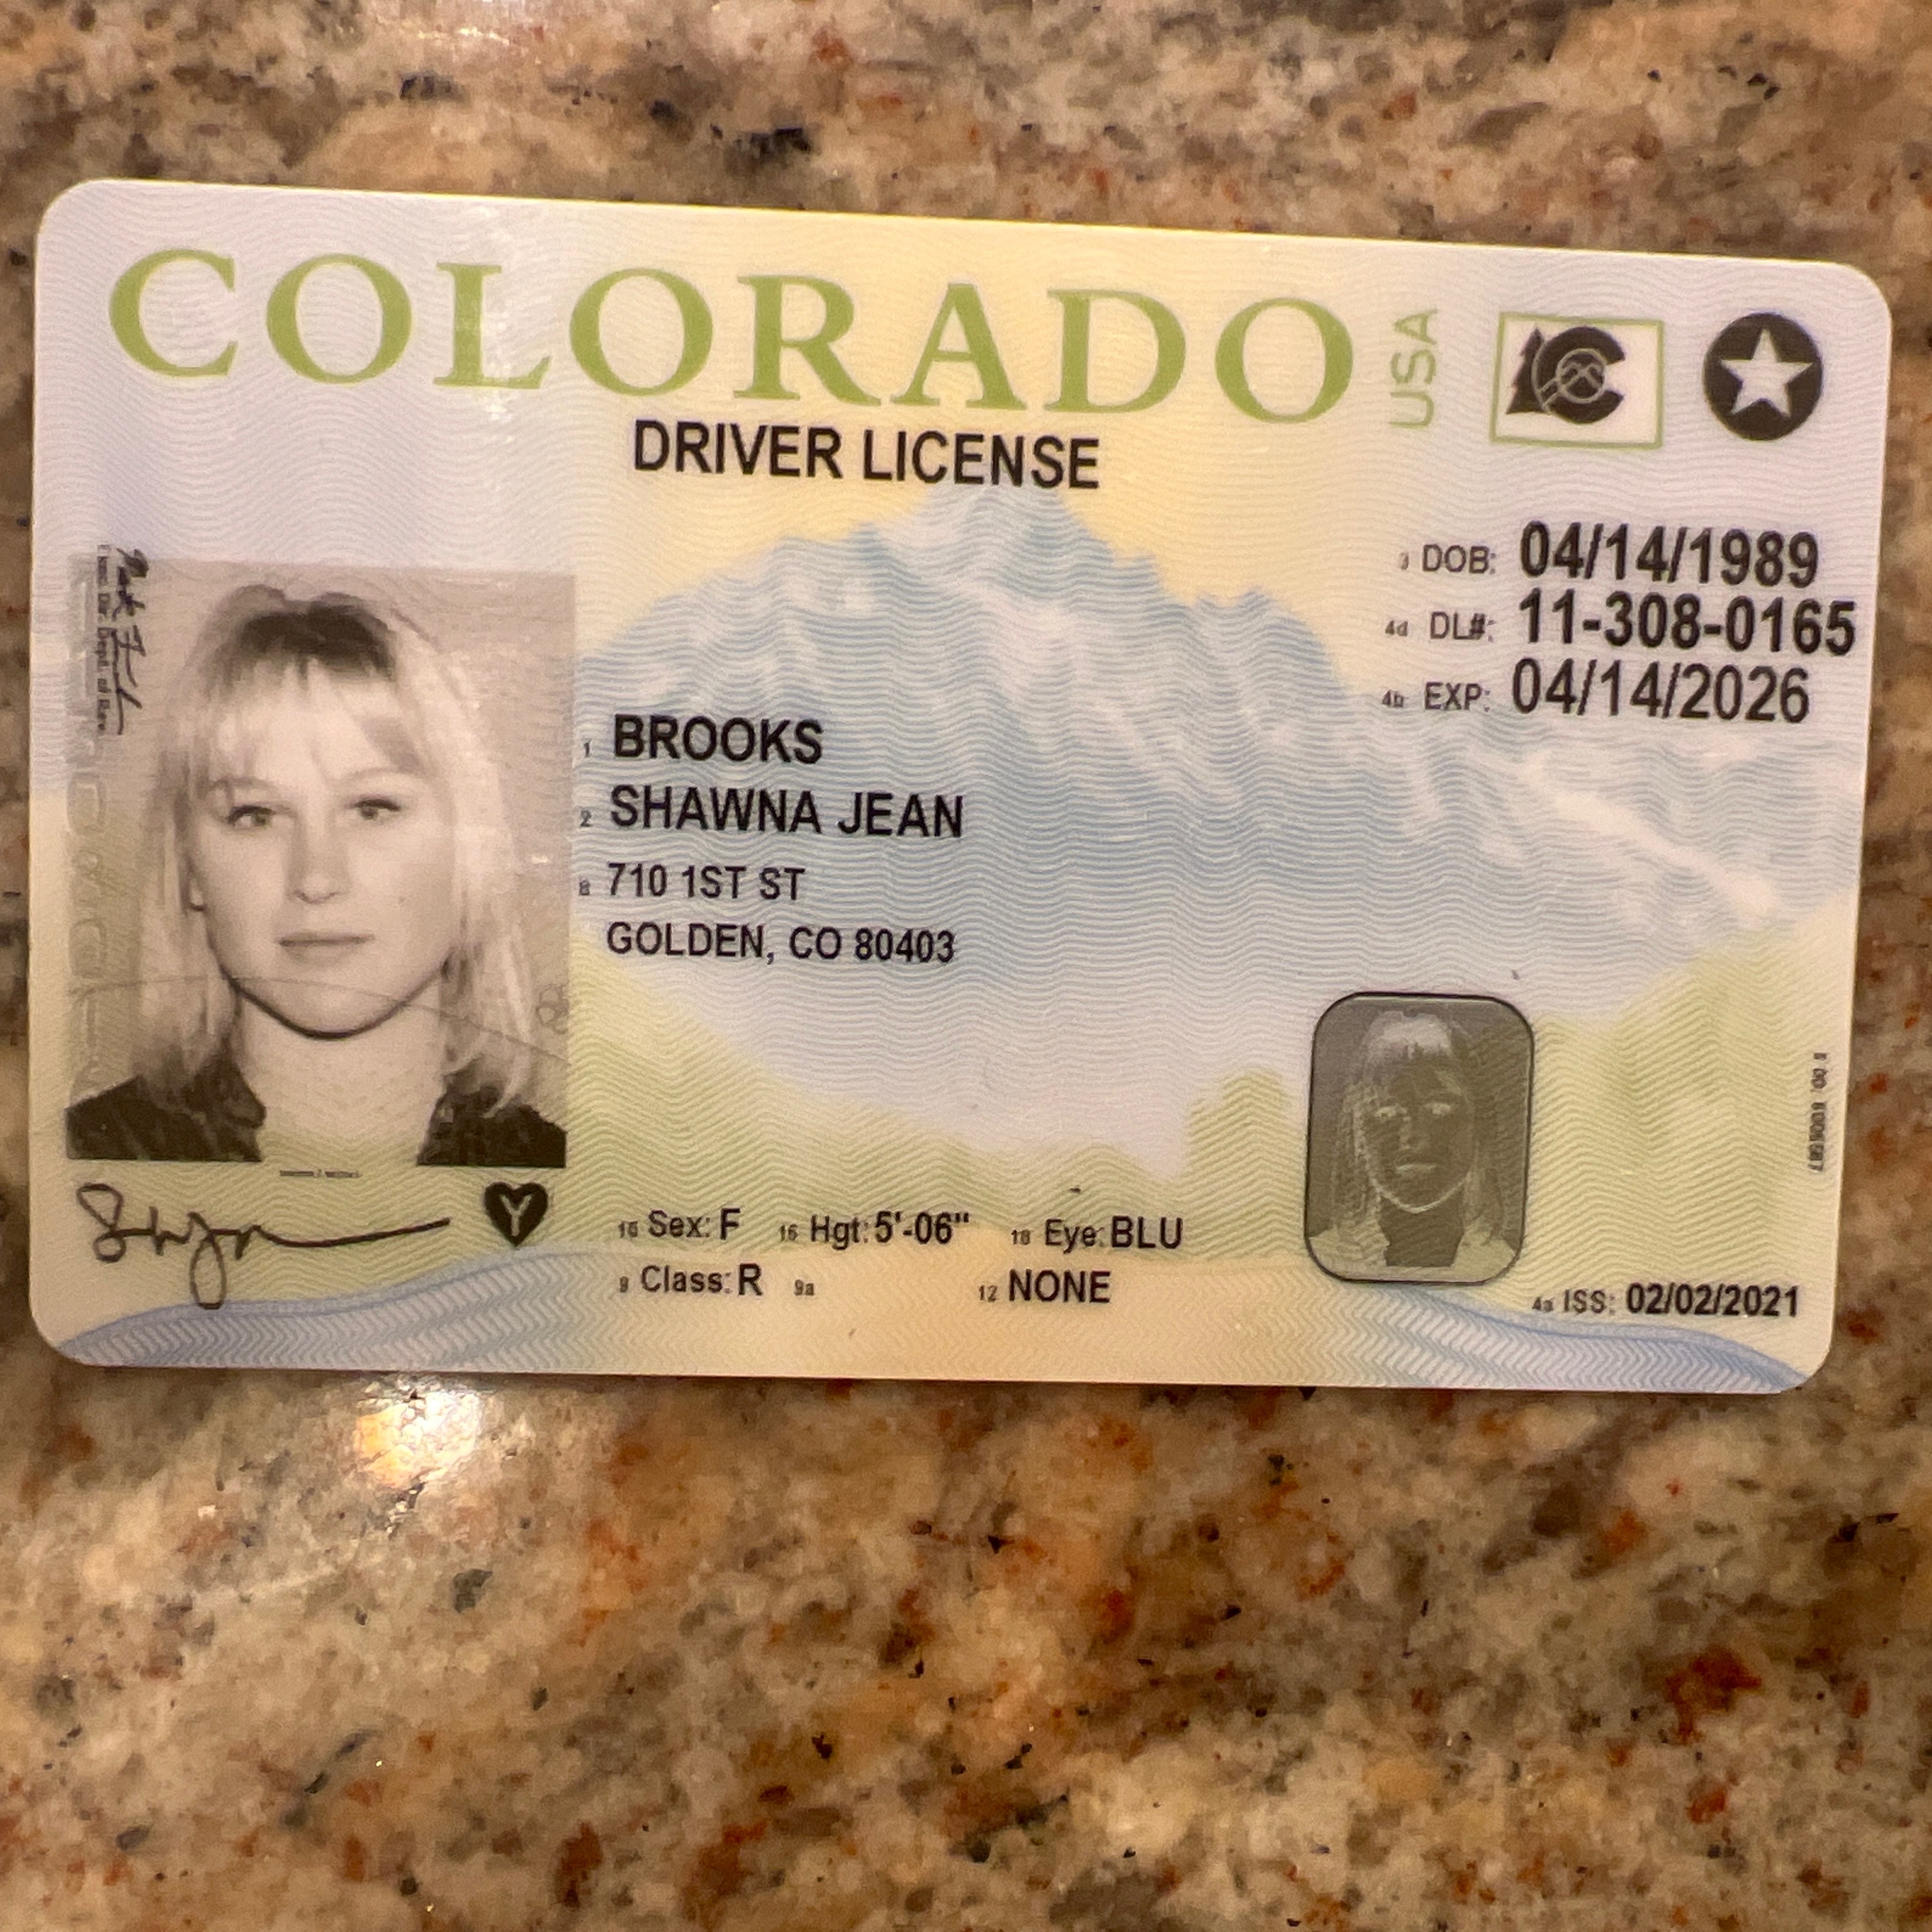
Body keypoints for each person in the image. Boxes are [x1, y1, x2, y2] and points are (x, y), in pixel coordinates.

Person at [66, 587, 564, 1167]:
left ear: (468, 851)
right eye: (256, 816)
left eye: (372, 809)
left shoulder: (568, 1174)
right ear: (190, 867)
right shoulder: (74, 1157)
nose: (316, 878)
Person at [1308, 1009, 1514, 1284]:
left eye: (1439, 1110)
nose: (1413, 1135)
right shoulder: (1317, 1264)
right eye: (1386, 1114)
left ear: (1478, 1125)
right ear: (1357, 1135)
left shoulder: (1510, 1270)